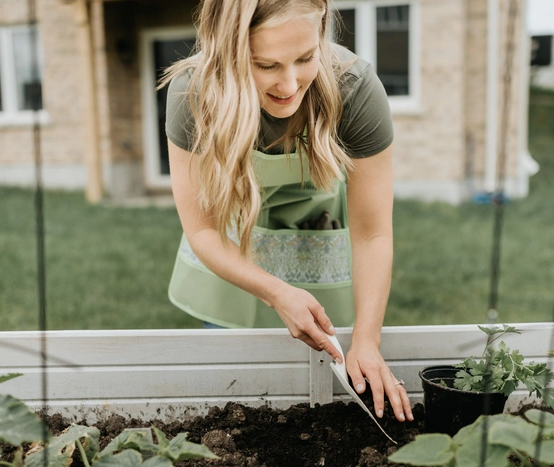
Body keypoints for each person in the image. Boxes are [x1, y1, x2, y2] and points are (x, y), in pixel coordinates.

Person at [159, 0, 412, 423]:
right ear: (227, 53)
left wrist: (367, 340)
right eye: (265, 65)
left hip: (317, 232)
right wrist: (275, 291)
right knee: (232, 402)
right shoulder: (194, 94)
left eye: (306, 58)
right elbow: (203, 231)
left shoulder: (355, 90)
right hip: (230, 245)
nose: (290, 84)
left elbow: (372, 234)